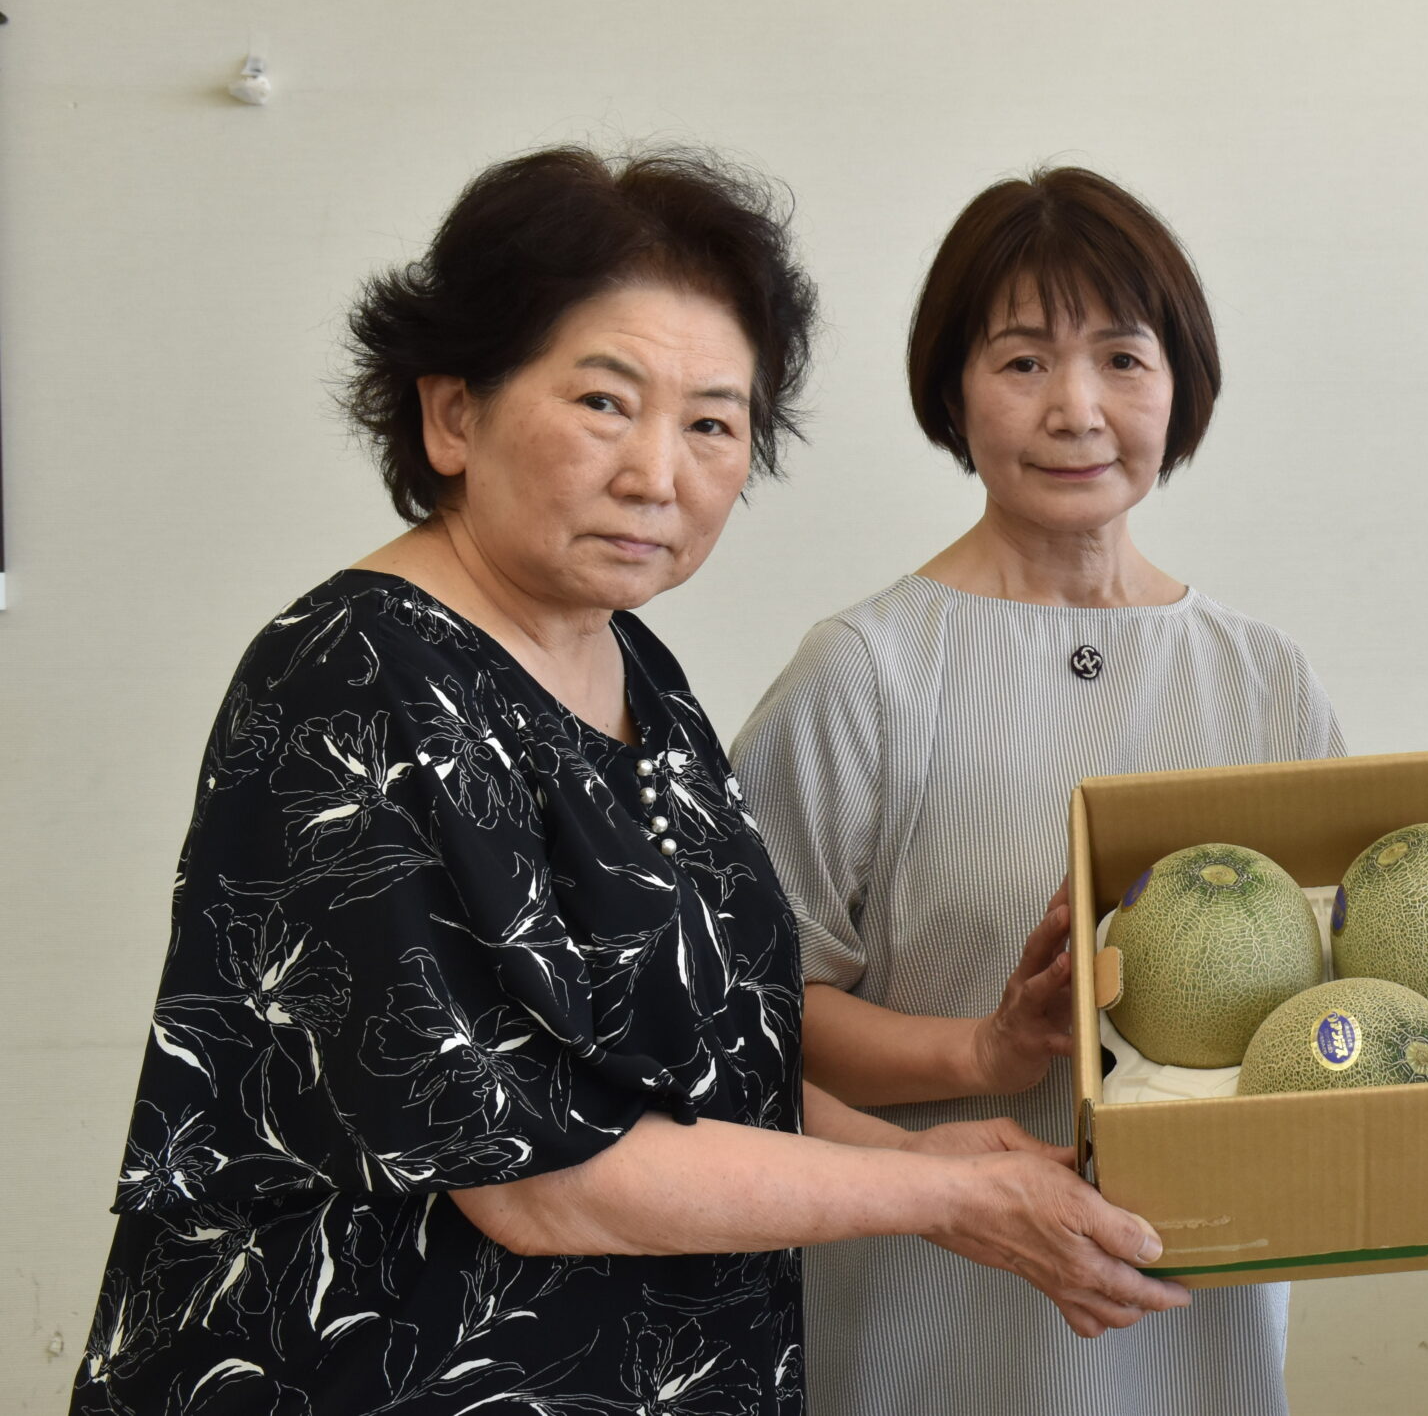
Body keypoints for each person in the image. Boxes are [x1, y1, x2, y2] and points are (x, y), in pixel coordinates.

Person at [73, 147, 1184, 1416]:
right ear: (452, 414)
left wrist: (929, 1152)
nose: (660, 473)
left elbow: (708, 1073)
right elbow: (541, 1178)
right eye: (606, 403)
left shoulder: (631, 667)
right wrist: (944, 1193)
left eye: (713, 423)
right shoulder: (352, 681)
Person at [733, 164, 1343, 1416]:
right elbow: (739, 1027)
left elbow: (1343, 993)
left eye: (1122, 359)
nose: (1076, 409)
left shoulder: (1266, 682)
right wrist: (988, 1046)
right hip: (925, 1321)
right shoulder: (863, 674)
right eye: (1021, 363)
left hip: (1196, 1325)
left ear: (1180, 386)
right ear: (952, 394)